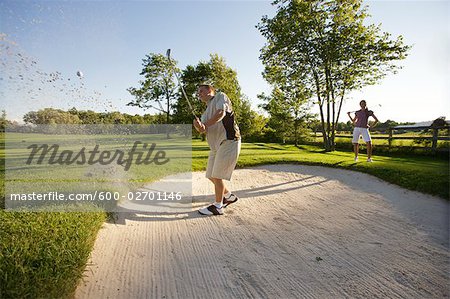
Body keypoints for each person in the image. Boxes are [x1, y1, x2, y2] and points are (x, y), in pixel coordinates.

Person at [193, 83, 241, 216]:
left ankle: (218, 206)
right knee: (210, 175)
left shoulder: (220, 96)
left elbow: (221, 113)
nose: (199, 94)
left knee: (217, 175)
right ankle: (229, 196)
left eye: (201, 91)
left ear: (210, 91)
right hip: (215, 147)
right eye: (198, 93)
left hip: (229, 141)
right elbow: (202, 130)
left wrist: (204, 124)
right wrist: (198, 126)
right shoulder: (205, 113)